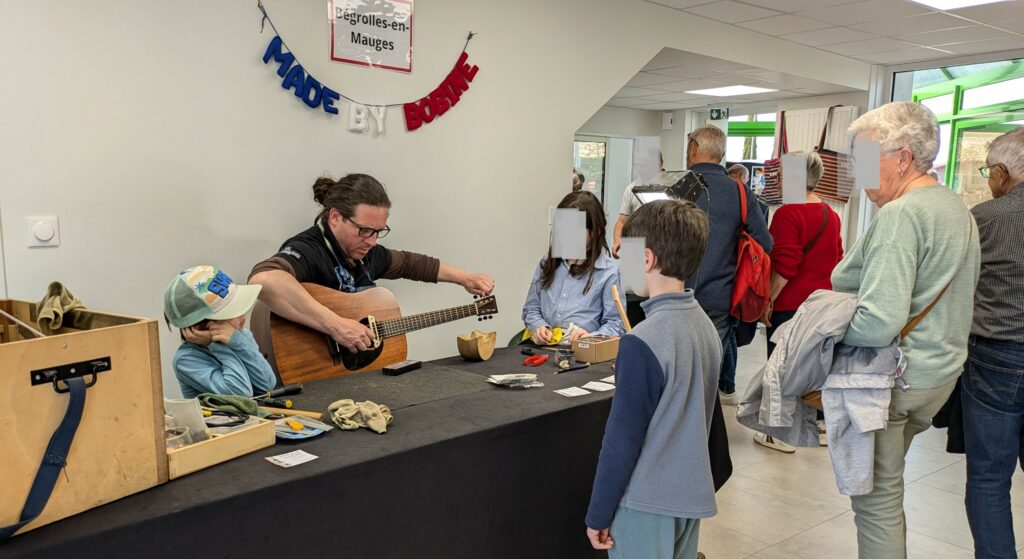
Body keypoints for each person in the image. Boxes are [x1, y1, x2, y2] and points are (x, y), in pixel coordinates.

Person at [832, 102, 979, 559]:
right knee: (888, 486)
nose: (858, 175)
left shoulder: (900, 215)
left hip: (892, 380)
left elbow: (877, 322)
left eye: (864, 159)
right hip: (936, 376)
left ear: (901, 158)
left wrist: (823, 333)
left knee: (876, 502)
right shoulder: (956, 207)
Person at [585, 199, 721, 559]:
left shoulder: (642, 340)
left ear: (646, 259)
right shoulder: (705, 327)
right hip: (689, 499)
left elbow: (620, 442)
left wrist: (597, 513)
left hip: (645, 501)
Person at [248, 174, 494, 353]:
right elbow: (264, 280)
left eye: (379, 231)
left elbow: (412, 264)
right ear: (335, 217)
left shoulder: (366, 251)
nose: (372, 241)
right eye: (364, 230)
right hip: (308, 373)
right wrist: (337, 326)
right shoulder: (309, 249)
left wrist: (465, 278)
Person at [752, 151, 843, 453]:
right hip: (823, 304)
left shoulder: (788, 214)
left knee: (781, 366)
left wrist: (768, 300)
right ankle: (819, 424)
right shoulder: (831, 215)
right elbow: (837, 260)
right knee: (815, 365)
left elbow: (786, 266)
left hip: (791, 304)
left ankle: (777, 431)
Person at [962, 127, 1024, 559]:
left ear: (1002, 172)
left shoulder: (985, 218)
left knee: (988, 478)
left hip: (997, 354)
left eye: (988, 171)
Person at [686, 126, 773, 405]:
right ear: (721, 153)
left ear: (693, 149)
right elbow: (765, 243)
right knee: (711, 368)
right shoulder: (739, 191)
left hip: (678, 292)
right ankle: (708, 432)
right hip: (721, 295)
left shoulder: (680, 188)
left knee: (681, 365)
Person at [521, 191, 625, 345]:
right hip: (543, 348)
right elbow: (531, 308)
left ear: (595, 232)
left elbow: (617, 324)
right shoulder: (548, 261)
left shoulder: (608, 273)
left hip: (582, 352)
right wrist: (539, 326)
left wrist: (591, 337)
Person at [164, 265, 277, 398]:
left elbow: (267, 385)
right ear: (201, 328)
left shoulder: (240, 336)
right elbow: (241, 393)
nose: (243, 318)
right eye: (232, 313)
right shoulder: (186, 360)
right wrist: (217, 343)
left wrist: (237, 342)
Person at [612, 153, 663, 258]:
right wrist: (617, 240)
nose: (639, 169)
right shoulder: (631, 188)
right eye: (637, 165)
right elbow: (622, 221)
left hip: (663, 249)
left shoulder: (671, 188)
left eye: (643, 165)